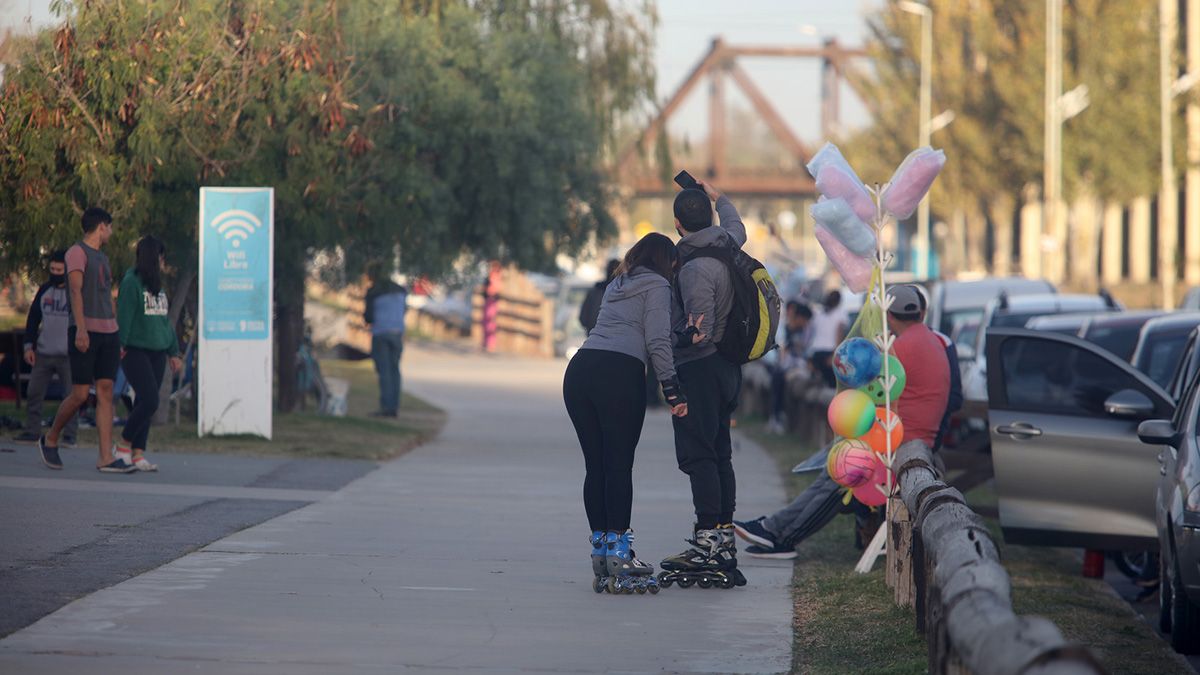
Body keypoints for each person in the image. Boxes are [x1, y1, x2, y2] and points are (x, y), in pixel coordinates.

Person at [733, 284, 954, 559]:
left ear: (888, 314)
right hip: (905, 439)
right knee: (832, 468)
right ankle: (774, 528)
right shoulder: (928, 339)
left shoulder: (901, 347)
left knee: (841, 475)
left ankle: (782, 536)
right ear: (919, 313)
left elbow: (871, 393)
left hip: (901, 444)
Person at [562, 233, 691, 593]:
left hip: (580, 371)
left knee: (596, 466)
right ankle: (621, 553)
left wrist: (681, 337)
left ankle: (602, 553)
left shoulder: (620, 282)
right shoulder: (659, 286)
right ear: (668, 262)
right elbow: (656, 341)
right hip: (618, 376)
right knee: (619, 466)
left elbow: (635, 329)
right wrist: (672, 389)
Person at [657, 178, 750, 588]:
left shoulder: (693, 267)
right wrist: (719, 196)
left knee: (699, 455)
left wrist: (671, 340)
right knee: (719, 452)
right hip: (728, 368)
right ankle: (724, 535)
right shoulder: (728, 243)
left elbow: (701, 331)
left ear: (677, 224)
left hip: (701, 369)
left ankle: (708, 538)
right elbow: (737, 224)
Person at [39, 207, 129, 472]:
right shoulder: (76, 252)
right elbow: (76, 292)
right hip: (84, 330)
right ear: (102, 226)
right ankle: (51, 438)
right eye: (110, 227)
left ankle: (105, 458)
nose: (111, 232)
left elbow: (105, 296)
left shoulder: (103, 257)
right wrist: (80, 329)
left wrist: (117, 333)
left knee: (105, 392)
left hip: (108, 333)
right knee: (79, 394)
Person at [115, 236, 182, 472]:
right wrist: (120, 344)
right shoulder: (131, 281)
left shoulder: (157, 285)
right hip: (135, 350)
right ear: (154, 257)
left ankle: (138, 453)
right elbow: (124, 315)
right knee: (150, 399)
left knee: (145, 402)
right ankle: (123, 446)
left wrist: (174, 352)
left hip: (158, 351)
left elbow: (164, 322)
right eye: (161, 256)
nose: (163, 261)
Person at [16, 250, 78, 448]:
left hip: (67, 355)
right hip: (43, 353)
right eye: (52, 269)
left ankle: (69, 435)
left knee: (71, 396)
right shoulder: (44, 291)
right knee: (34, 392)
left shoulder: (75, 292)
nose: (55, 273)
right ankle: (32, 431)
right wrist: (28, 347)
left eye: (59, 270)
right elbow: (33, 320)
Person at [364, 266, 408, 418]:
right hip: (397, 334)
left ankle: (386, 407)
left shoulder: (373, 291)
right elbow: (404, 310)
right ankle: (394, 406)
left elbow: (368, 317)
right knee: (395, 370)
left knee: (384, 372)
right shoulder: (401, 290)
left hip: (381, 333)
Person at [766, 301, 813, 434]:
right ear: (798, 317)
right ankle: (776, 416)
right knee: (778, 376)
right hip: (786, 366)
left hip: (799, 366)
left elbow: (806, 352)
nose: (805, 323)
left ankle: (777, 416)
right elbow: (782, 352)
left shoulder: (806, 331)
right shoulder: (784, 329)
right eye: (804, 320)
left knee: (778, 377)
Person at [807, 290, 848, 388]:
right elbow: (839, 335)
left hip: (815, 353)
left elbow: (812, 335)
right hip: (829, 353)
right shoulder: (841, 314)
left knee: (818, 386)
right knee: (832, 385)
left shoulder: (819, 314)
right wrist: (836, 355)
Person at [578, 259, 620, 336]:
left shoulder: (595, 291)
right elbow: (583, 317)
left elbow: (583, 317)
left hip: (595, 336)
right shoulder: (623, 293)